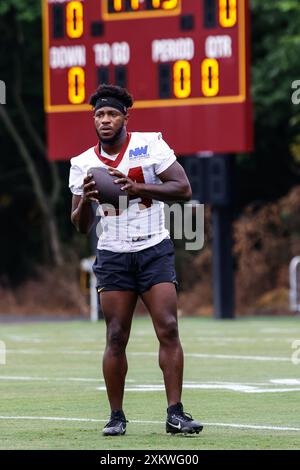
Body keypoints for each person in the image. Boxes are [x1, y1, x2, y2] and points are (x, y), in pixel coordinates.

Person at [69, 84, 203, 437]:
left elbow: (183, 189)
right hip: (113, 253)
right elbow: (80, 225)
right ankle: (116, 416)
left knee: (169, 327)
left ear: (125, 117)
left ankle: (175, 413)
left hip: (153, 247)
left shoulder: (151, 144)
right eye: (99, 115)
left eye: (112, 114)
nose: (106, 120)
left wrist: (139, 188)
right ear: (93, 120)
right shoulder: (83, 163)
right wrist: (87, 200)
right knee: (115, 335)